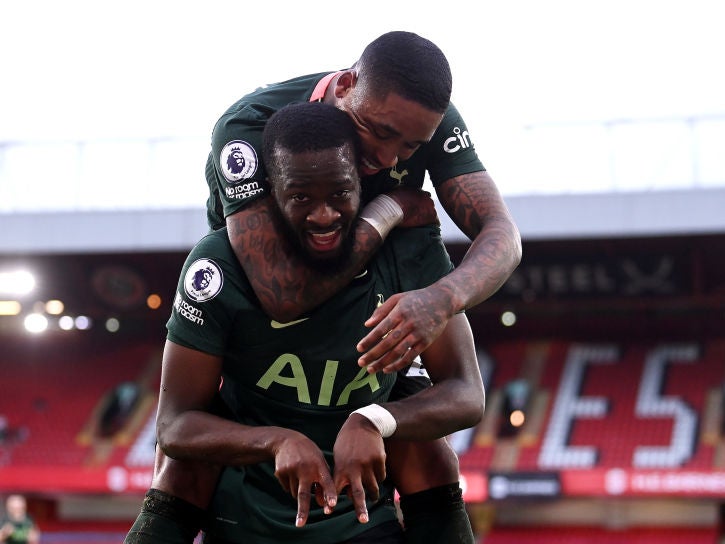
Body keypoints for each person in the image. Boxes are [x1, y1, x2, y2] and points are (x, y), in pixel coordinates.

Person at [201, 30, 519, 540]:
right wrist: (388, 211)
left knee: (432, 457)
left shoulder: (424, 119)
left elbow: (503, 235)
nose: (388, 157)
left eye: (411, 146)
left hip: (362, 312)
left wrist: (441, 298)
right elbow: (279, 292)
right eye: (378, 131)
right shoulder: (250, 127)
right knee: (180, 469)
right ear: (347, 85)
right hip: (265, 325)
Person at [125, 102, 485, 543]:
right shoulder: (218, 266)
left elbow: (468, 393)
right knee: (178, 464)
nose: (323, 215)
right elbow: (174, 425)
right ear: (270, 192)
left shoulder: (407, 250)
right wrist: (275, 440)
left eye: (340, 193)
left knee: (431, 453)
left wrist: (374, 418)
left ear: (361, 183)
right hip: (248, 510)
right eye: (300, 198)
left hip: (363, 519)